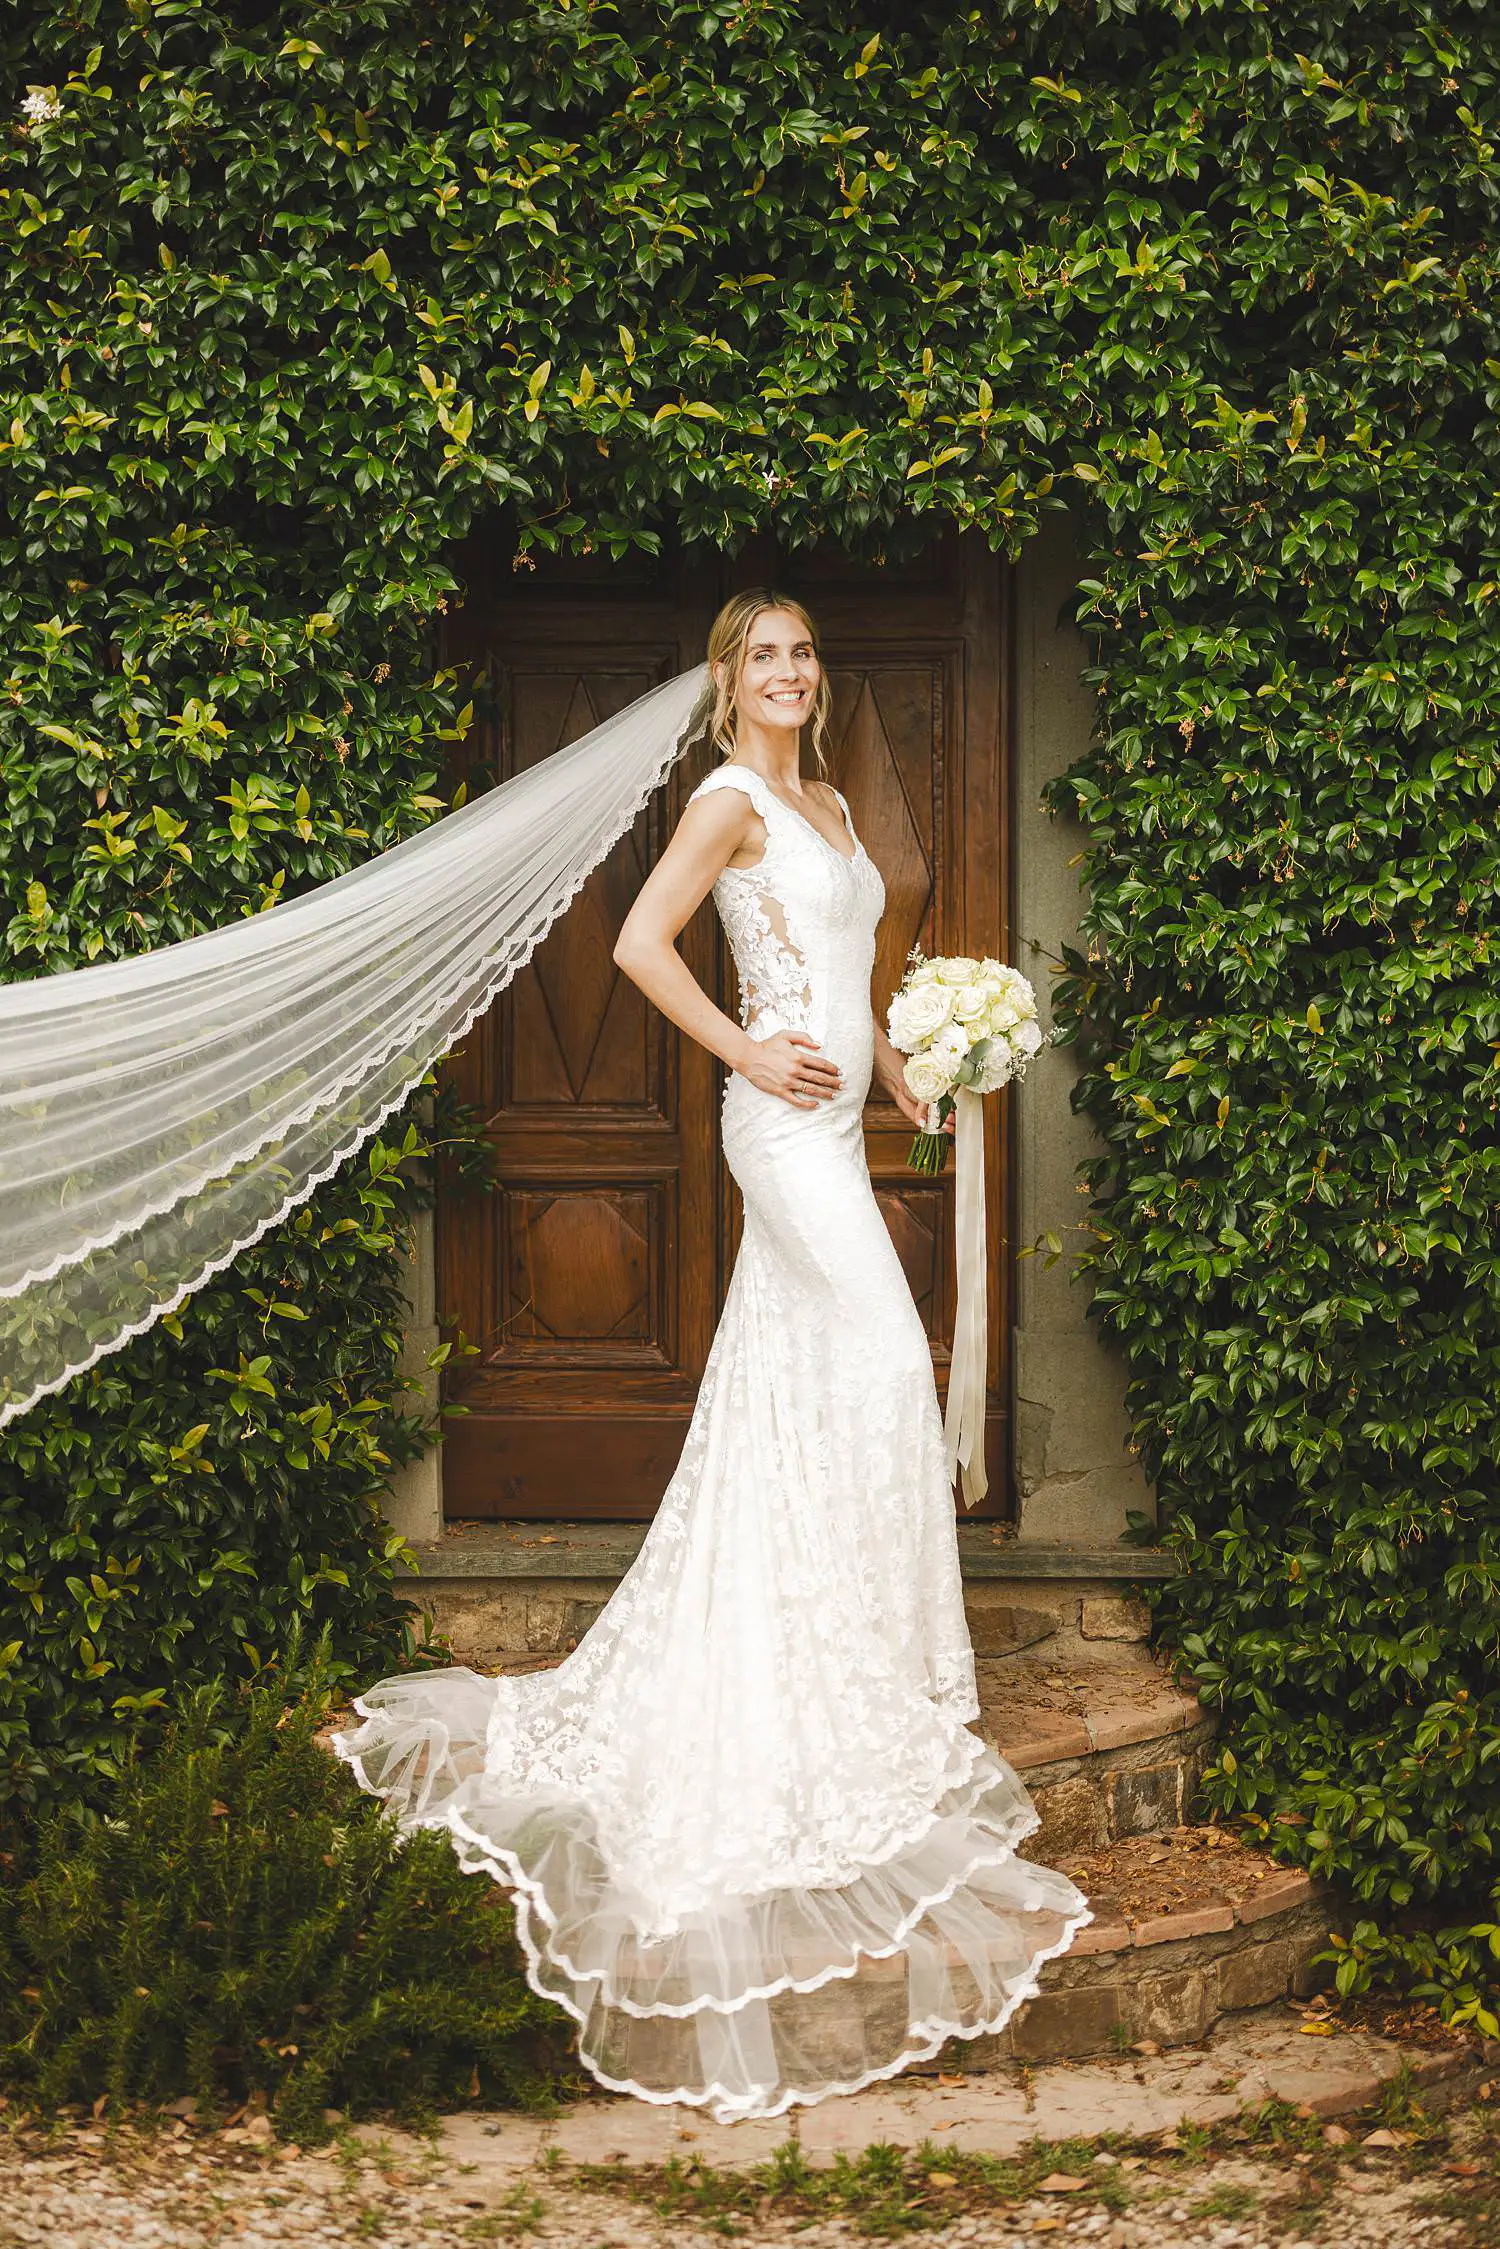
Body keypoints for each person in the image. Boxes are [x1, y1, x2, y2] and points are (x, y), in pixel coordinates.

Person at [334, 591, 1090, 2121]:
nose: (789, 673)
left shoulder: (832, 804)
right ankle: (867, 1661)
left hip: (842, 1117)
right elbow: (637, 943)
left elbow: (850, 969)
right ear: (728, 680)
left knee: (792, 1387)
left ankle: (849, 1642)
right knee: (887, 1365)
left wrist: (906, 1066)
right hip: (777, 1131)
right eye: (764, 657)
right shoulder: (730, 798)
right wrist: (745, 1047)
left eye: (803, 654)